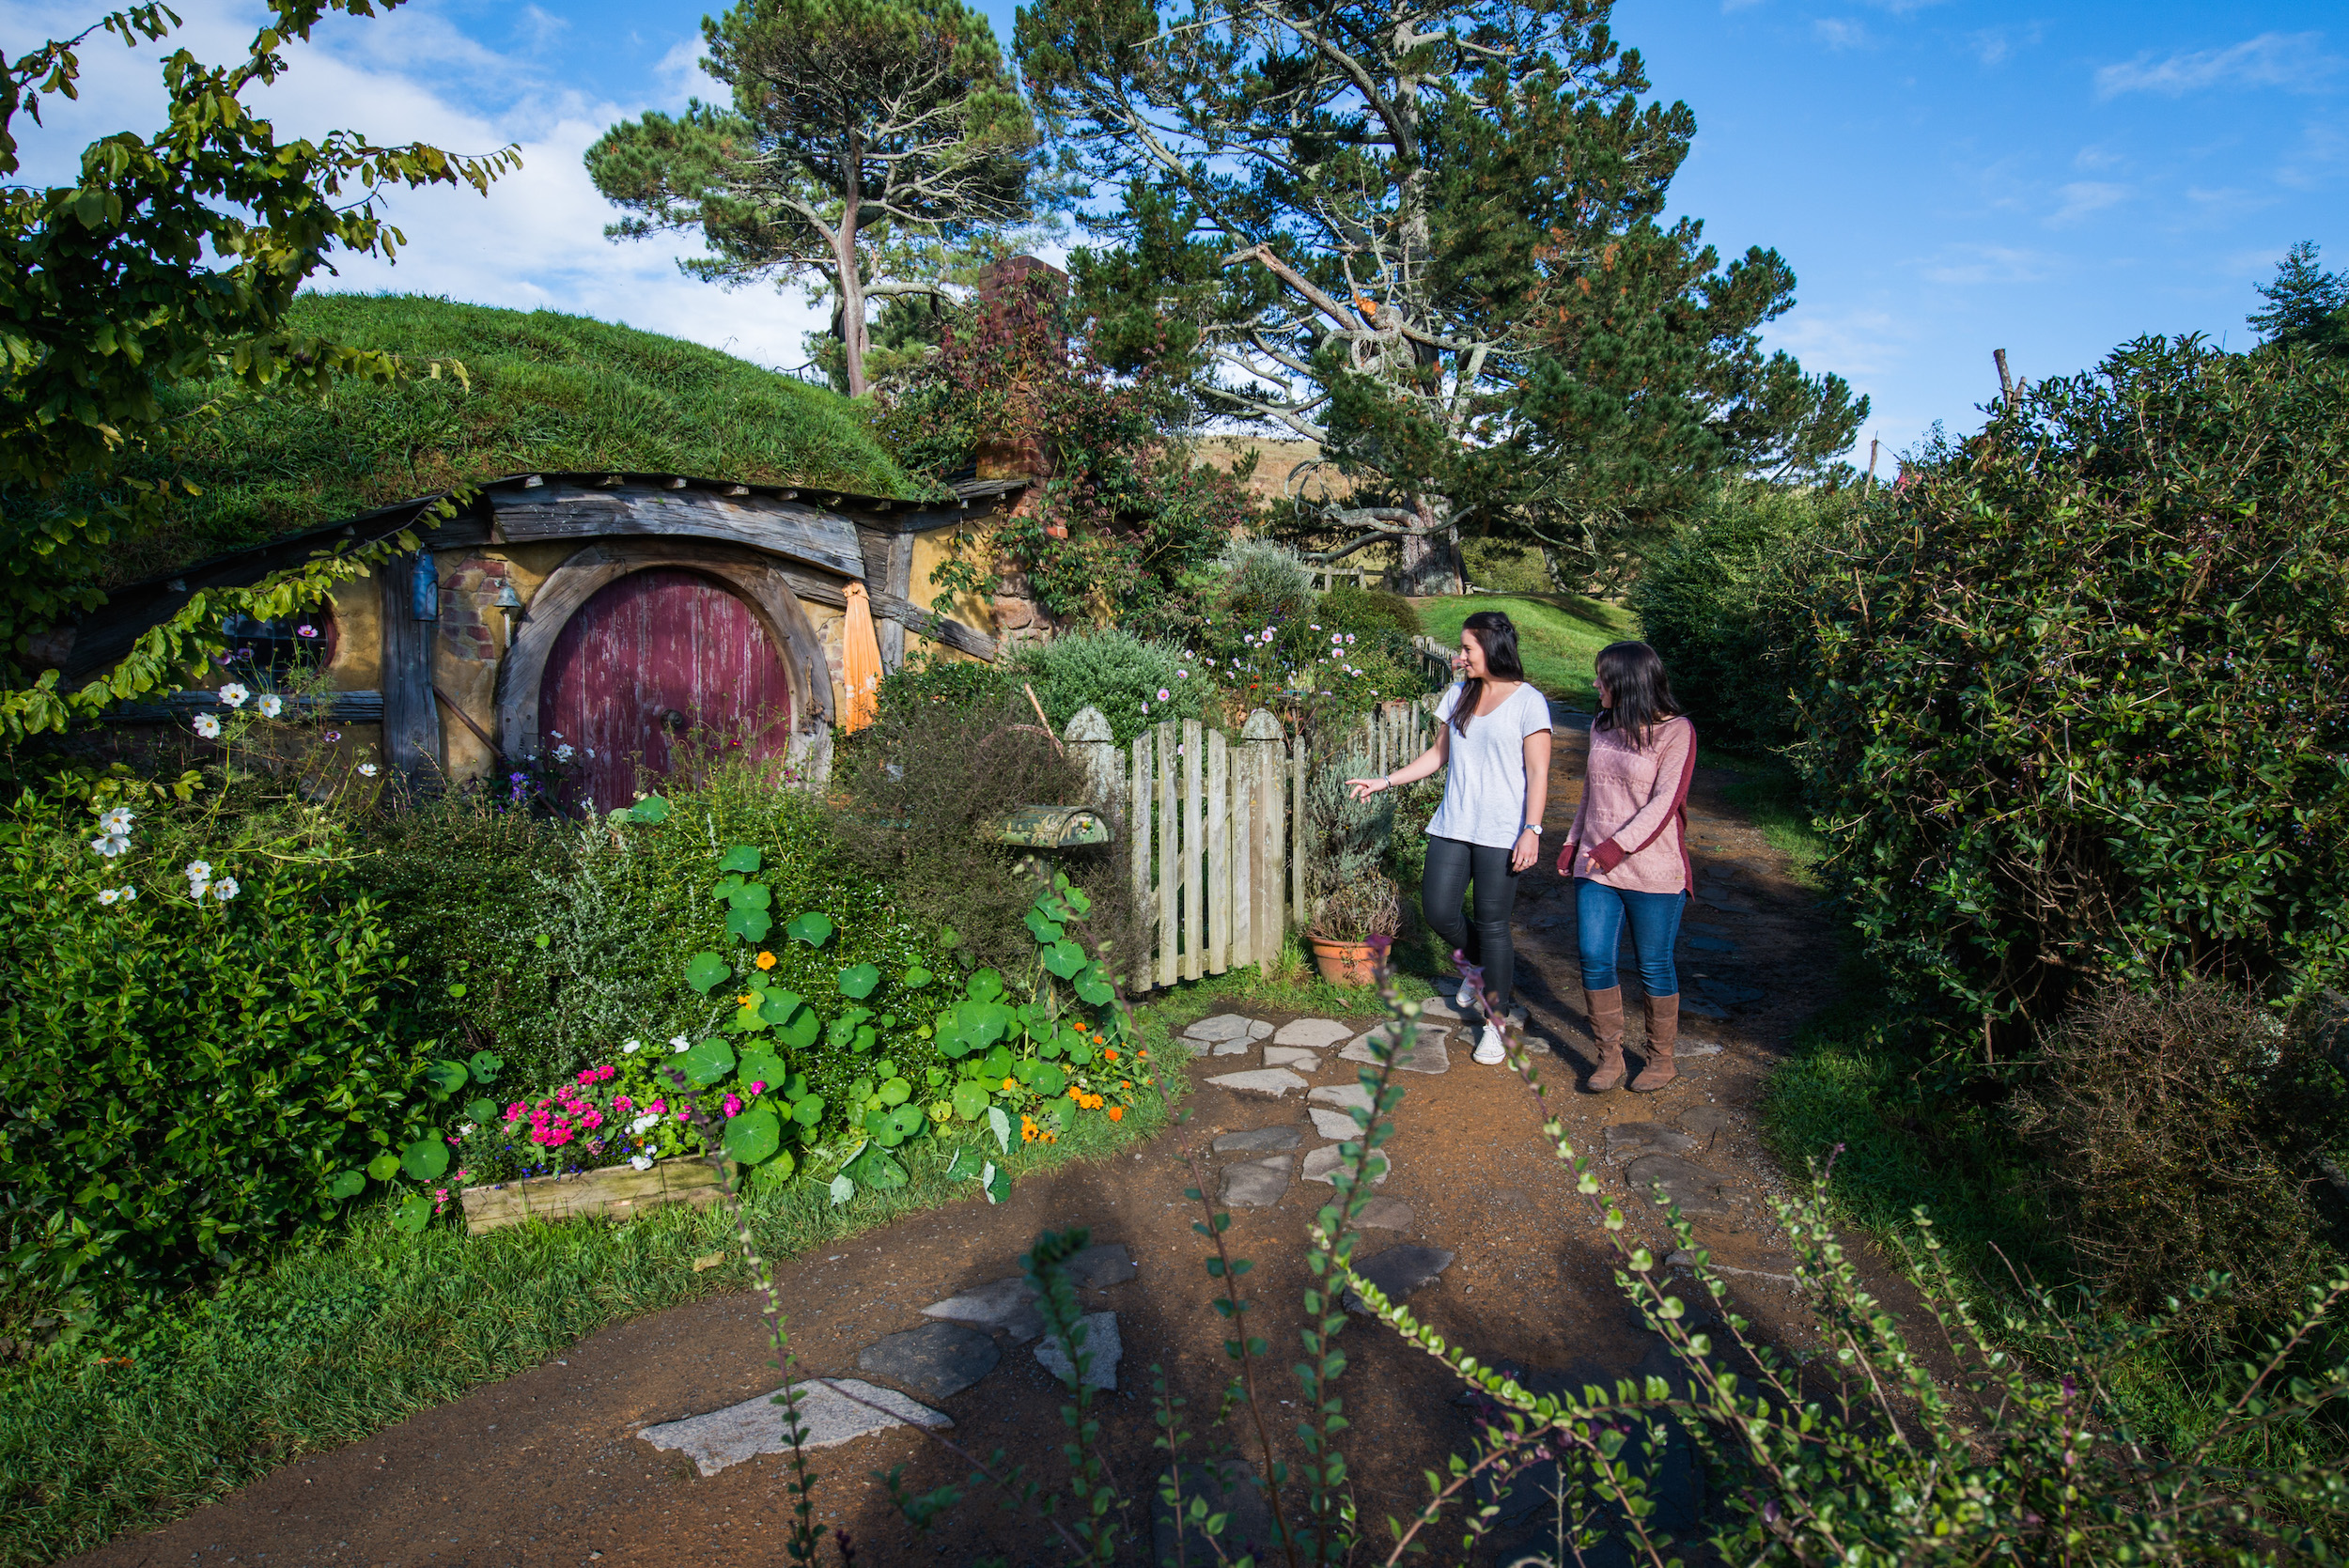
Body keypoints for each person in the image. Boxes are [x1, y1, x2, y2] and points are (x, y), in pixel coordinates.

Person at [1348, 611, 1552, 1064]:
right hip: (1454, 823)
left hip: (1502, 832)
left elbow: (1538, 772)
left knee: (1494, 924)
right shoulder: (1459, 693)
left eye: (1467, 649)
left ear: (1493, 648)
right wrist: (1384, 781)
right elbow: (1437, 755)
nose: (1460, 657)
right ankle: (1481, 968)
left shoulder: (1528, 702)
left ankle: (1494, 1025)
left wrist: (1532, 830)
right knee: (1440, 911)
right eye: (1461, 649)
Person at [1558, 641, 1694, 1092]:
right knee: (1595, 959)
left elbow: (1664, 804)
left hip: (1653, 871)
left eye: (1602, 677)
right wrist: (1573, 840)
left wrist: (1615, 847)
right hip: (1595, 865)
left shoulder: (1677, 732)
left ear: (1627, 682)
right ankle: (1610, 1058)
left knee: (1653, 964)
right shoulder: (1602, 725)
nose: (1595, 684)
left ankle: (1660, 1060)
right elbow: (1590, 792)